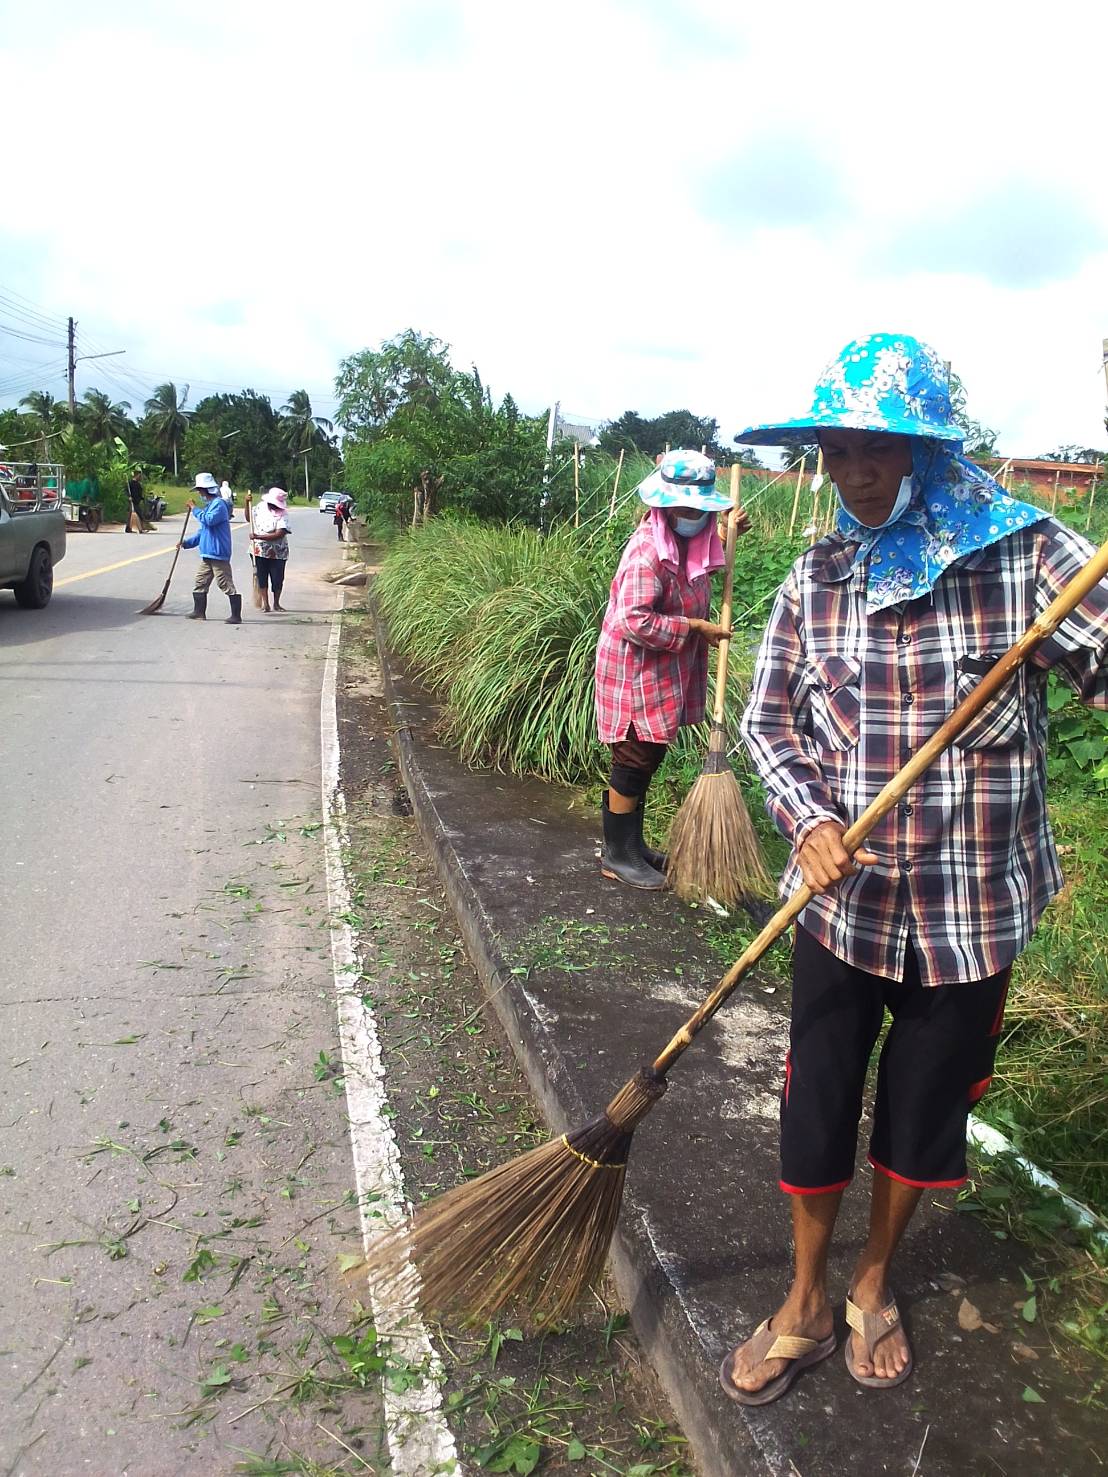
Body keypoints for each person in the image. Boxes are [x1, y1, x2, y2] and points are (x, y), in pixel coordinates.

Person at [720, 333, 1108, 1404]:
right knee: (816, 1101)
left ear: (926, 450)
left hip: (971, 909)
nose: (851, 473)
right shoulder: (816, 574)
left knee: (922, 1108)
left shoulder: (1024, 555)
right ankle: (802, 1296)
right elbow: (768, 721)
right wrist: (804, 819)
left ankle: (873, 1281)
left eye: (874, 450)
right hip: (842, 905)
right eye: (835, 452)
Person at [594, 449, 740, 888]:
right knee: (633, 757)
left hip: (663, 672)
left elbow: (707, 554)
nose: (694, 515)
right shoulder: (647, 551)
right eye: (685, 508)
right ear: (663, 507)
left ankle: (632, 846)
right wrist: (694, 626)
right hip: (635, 674)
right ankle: (617, 854)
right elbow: (633, 619)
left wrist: (732, 532)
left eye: (700, 508)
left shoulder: (685, 539)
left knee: (649, 755)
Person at [181, 471, 241, 624]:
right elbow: (202, 532)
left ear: (206, 490)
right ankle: (199, 611)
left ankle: (236, 615)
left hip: (218, 553)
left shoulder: (219, 505)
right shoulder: (209, 506)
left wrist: (194, 508)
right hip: (207, 554)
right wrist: (186, 543)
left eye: (200, 490)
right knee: (200, 582)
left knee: (224, 583)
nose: (199, 493)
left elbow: (209, 521)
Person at [249, 486, 291, 613]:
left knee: (277, 578)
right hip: (259, 550)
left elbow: (279, 533)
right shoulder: (260, 507)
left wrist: (258, 536)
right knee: (261, 576)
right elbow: (248, 518)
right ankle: (265, 604)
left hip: (278, 552)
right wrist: (246, 503)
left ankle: (276, 603)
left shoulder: (284, 514)